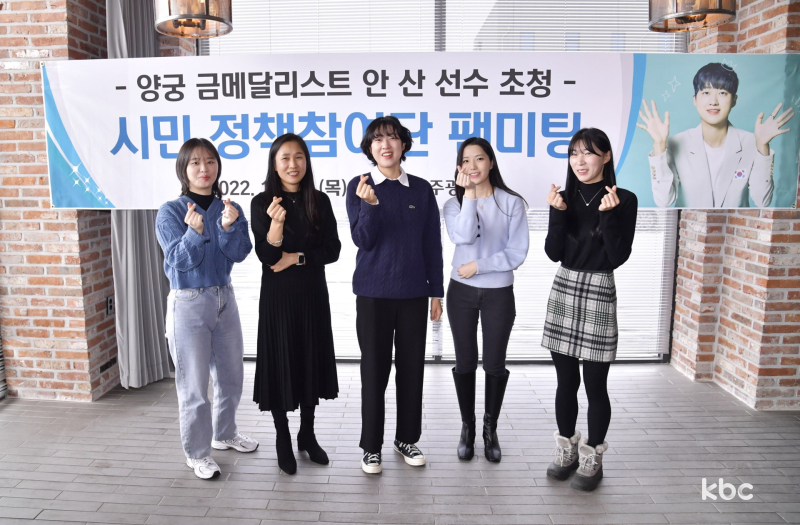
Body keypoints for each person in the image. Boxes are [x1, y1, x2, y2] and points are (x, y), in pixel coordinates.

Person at [345, 115, 444, 474]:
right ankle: (371, 447)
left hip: (414, 293)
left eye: (392, 137)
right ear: (369, 148)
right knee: (374, 371)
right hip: (373, 294)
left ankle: (406, 438)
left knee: (412, 370)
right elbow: (362, 240)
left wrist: (437, 292)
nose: (385, 145)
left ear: (404, 144)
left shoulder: (421, 189)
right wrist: (370, 206)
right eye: (377, 139)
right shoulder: (359, 186)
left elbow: (432, 242)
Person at [156, 138, 257, 480]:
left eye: (210, 161)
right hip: (188, 302)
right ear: (183, 169)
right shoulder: (170, 211)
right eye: (196, 162)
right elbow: (178, 261)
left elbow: (241, 252)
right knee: (195, 386)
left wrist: (227, 228)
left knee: (231, 376)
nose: (204, 168)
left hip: (224, 298)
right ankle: (197, 454)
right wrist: (194, 232)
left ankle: (224, 434)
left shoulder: (229, 207)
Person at [542, 128, 637, 491]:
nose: (579, 161)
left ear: (606, 156)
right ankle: (567, 449)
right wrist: (557, 213)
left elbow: (617, 257)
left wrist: (608, 216)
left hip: (599, 288)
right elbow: (553, 253)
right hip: (565, 288)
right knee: (566, 381)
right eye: (573, 154)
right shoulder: (564, 197)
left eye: (588, 153)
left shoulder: (623, 199)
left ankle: (593, 456)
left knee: (595, 384)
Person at [250, 133, 341, 475]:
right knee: (281, 362)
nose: (293, 164)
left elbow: (333, 249)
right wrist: (276, 225)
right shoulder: (262, 203)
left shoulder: (319, 200)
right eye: (285, 158)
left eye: (299, 157)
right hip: (278, 299)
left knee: (309, 360)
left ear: (307, 161)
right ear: (274, 164)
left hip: (312, 294)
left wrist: (298, 257)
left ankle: (307, 433)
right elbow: (268, 256)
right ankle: (282, 437)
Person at [443, 137, 529, 463]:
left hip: (498, 293)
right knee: (465, 361)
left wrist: (479, 266)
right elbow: (462, 236)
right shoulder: (453, 204)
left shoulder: (512, 203)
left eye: (479, 159)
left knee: (494, 363)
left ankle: (490, 429)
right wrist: (468, 196)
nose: (473, 166)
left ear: (491, 162)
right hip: (461, 293)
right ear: (459, 167)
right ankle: (467, 427)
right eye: (466, 161)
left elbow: (516, 253)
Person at [639, 62, 794, 208]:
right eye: (706, 92)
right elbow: (663, 201)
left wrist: (762, 147)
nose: (713, 101)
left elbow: (763, 201)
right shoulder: (677, 143)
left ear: (734, 100)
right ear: (695, 99)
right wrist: (659, 146)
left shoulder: (752, 142)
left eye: (722, 93)